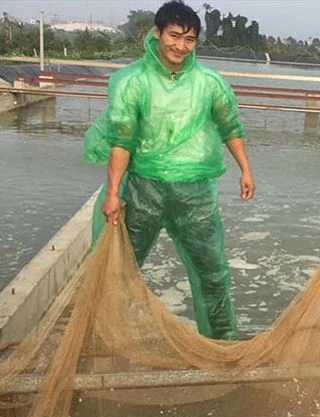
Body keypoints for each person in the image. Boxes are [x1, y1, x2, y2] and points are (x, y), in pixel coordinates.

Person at [84, 0, 255, 340]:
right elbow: (123, 140)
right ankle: (103, 337)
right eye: (174, 36)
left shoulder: (209, 82)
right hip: (142, 189)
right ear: (157, 33)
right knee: (119, 269)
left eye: (189, 39)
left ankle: (220, 340)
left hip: (195, 194)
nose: (180, 46)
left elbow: (230, 127)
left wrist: (245, 170)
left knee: (212, 271)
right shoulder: (133, 81)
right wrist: (114, 194)